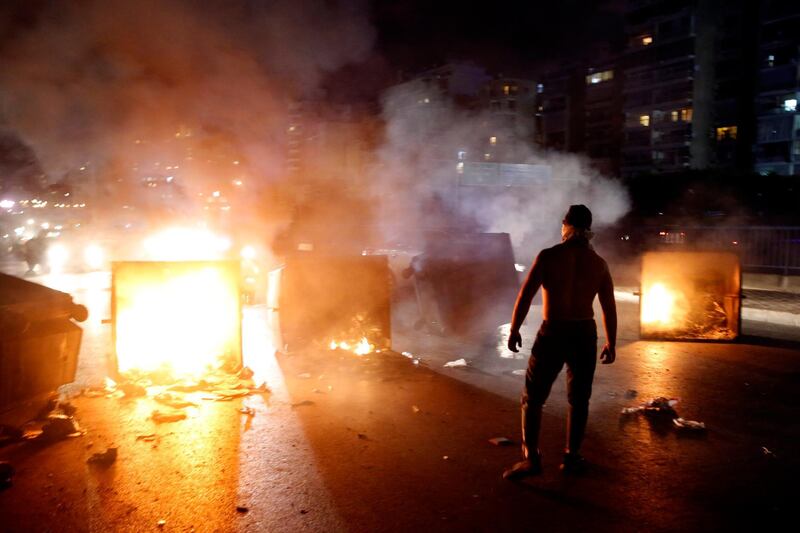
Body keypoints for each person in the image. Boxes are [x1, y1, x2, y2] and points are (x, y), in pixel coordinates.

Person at [503, 204, 617, 480]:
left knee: (533, 398)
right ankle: (572, 456)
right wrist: (611, 343)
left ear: (565, 224)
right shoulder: (598, 264)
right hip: (583, 333)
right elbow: (608, 307)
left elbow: (525, 296)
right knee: (579, 400)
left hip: (553, 332)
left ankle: (532, 459)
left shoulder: (549, 256)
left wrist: (515, 329)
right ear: (589, 230)